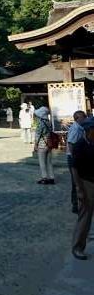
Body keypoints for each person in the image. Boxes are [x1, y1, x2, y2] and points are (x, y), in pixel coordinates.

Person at [71, 116, 94, 260]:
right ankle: (78, 247)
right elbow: (74, 169)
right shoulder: (80, 145)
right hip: (86, 183)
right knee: (85, 216)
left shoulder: (92, 143)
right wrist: (79, 189)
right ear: (89, 130)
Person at [66, 110, 87, 214]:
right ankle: (76, 206)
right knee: (76, 182)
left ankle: (79, 204)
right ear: (77, 118)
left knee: (78, 181)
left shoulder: (80, 127)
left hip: (75, 157)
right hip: (73, 158)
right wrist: (76, 158)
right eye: (83, 117)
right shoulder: (75, 129)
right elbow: (71, 144)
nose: (85, 118)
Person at [33, 106, 55, 185]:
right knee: (49, 162)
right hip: (49, 144)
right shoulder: (48, 122)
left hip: (42, 145)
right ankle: (52, 177)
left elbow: (38, 135)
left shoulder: (40, 123)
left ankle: (44, 178)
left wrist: (35, 145)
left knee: (42, 162)